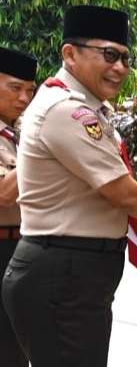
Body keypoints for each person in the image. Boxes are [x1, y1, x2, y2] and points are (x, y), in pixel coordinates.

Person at [0, 5, 137, 367]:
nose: (121, 68)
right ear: (70, 54)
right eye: (109, 54)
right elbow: (120, 191)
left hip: (72, 272)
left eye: (125, 57)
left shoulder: (88, 109)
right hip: (62, 272)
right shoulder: (66, 110)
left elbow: (93, 190)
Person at [0, 46, 36, 367]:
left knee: (18, 343)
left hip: (21, 247)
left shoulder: (16, 135)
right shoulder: (28, 140)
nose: (24, 98)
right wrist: (40, 149)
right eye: (15, 88)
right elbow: (4, 193)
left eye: (30, 90)